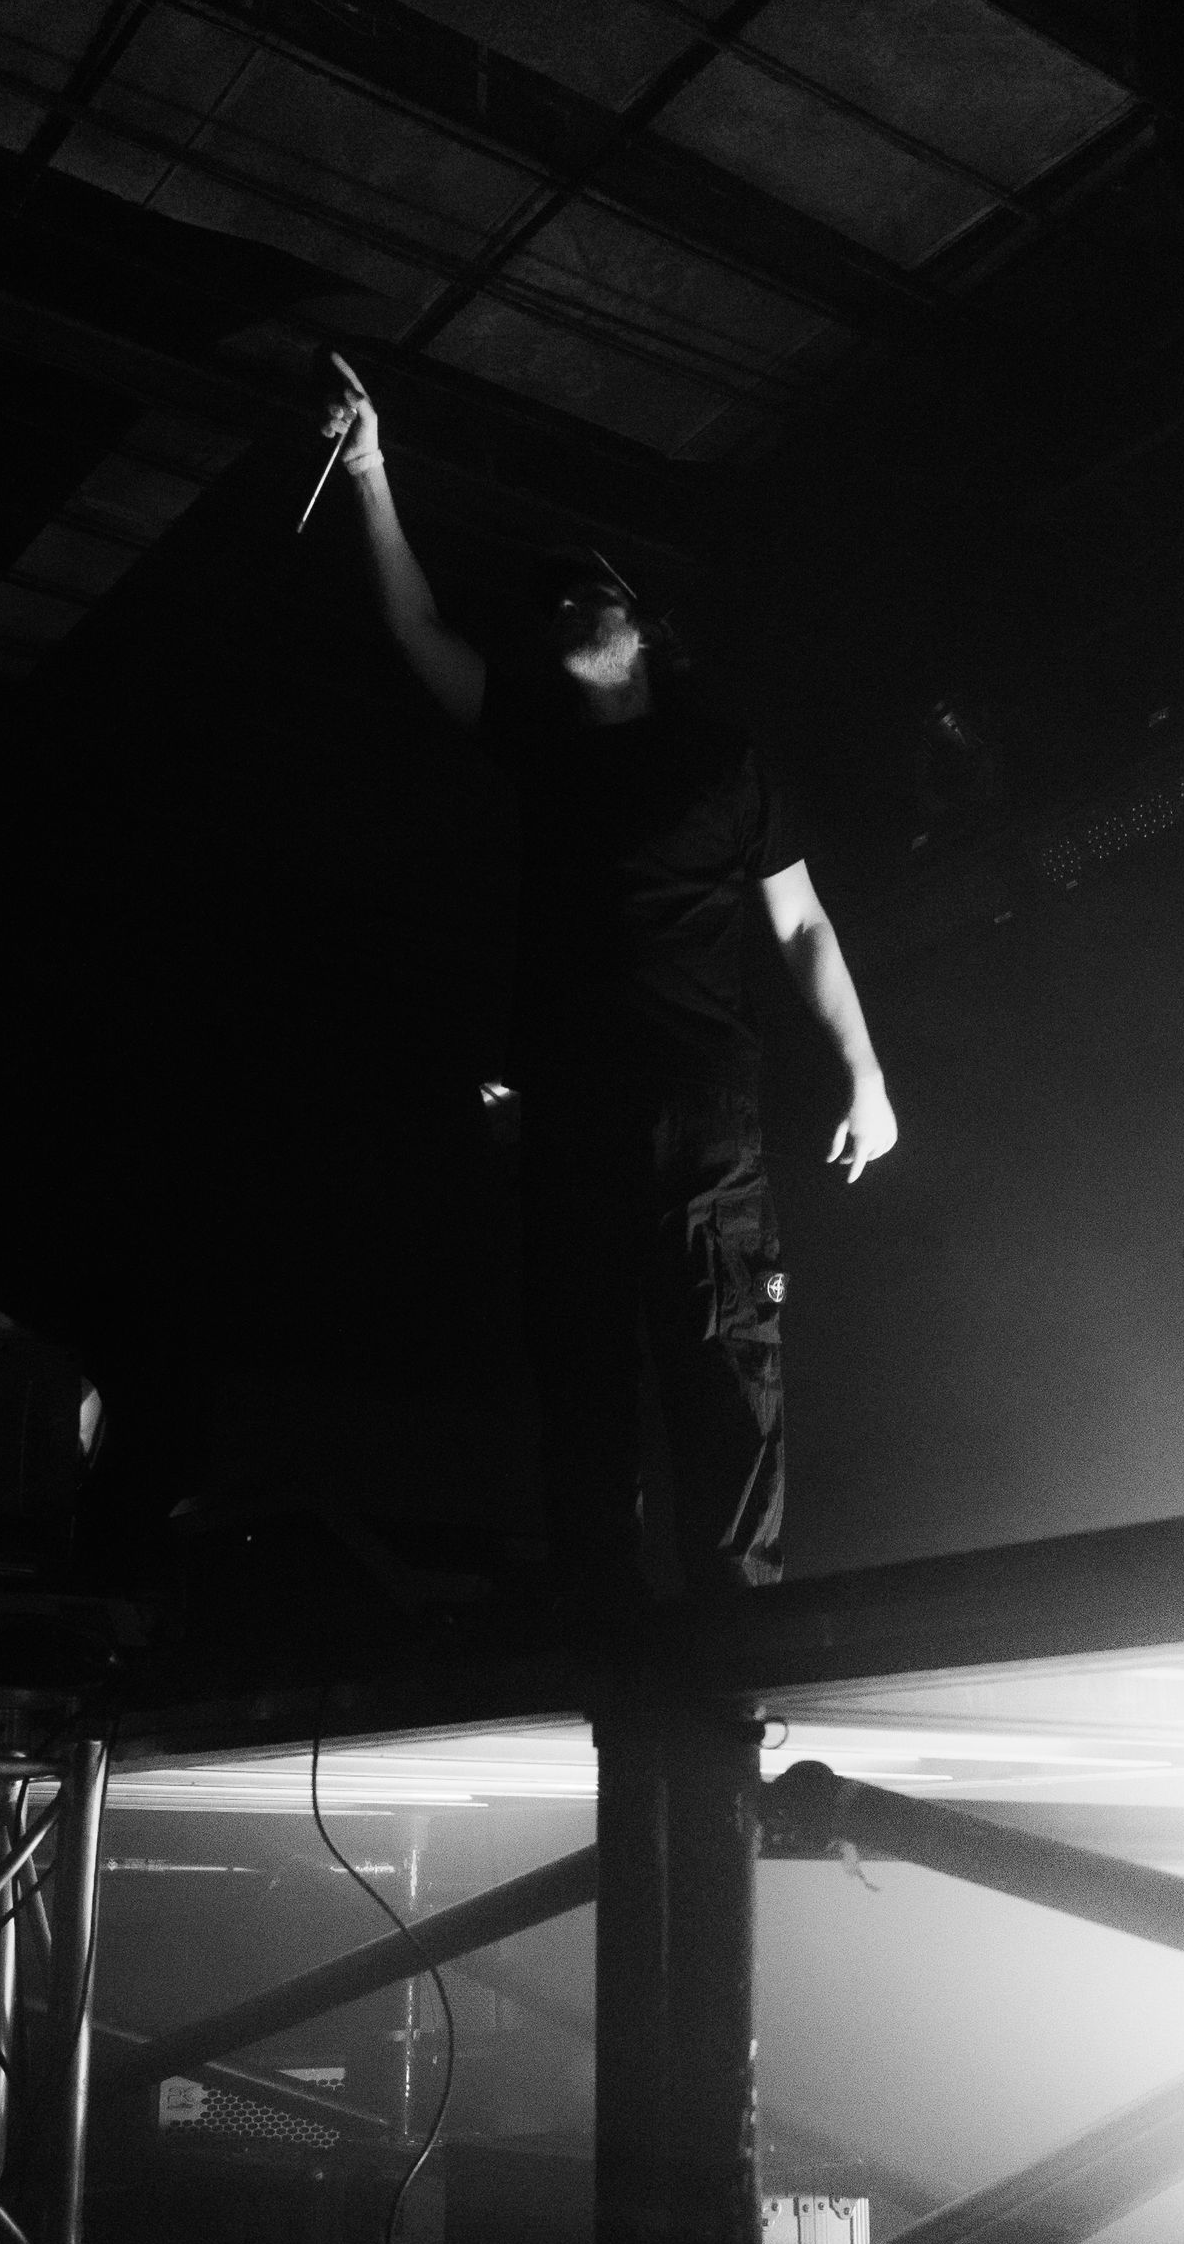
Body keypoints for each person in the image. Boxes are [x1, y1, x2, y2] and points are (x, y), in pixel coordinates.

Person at [320, 352, 897, 1620]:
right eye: (557, 600)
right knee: (582, 1387)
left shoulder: (715, 759)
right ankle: (603, 1641)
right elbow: (416, 627)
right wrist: (369, 469)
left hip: (703, 1124)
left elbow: (802, 927)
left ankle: (736, 1648)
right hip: (570, 1117)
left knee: (726, 1385)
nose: (568, 605)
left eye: (593, 591)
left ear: (645, 630)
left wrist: (865, 1070)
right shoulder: (534, 739)